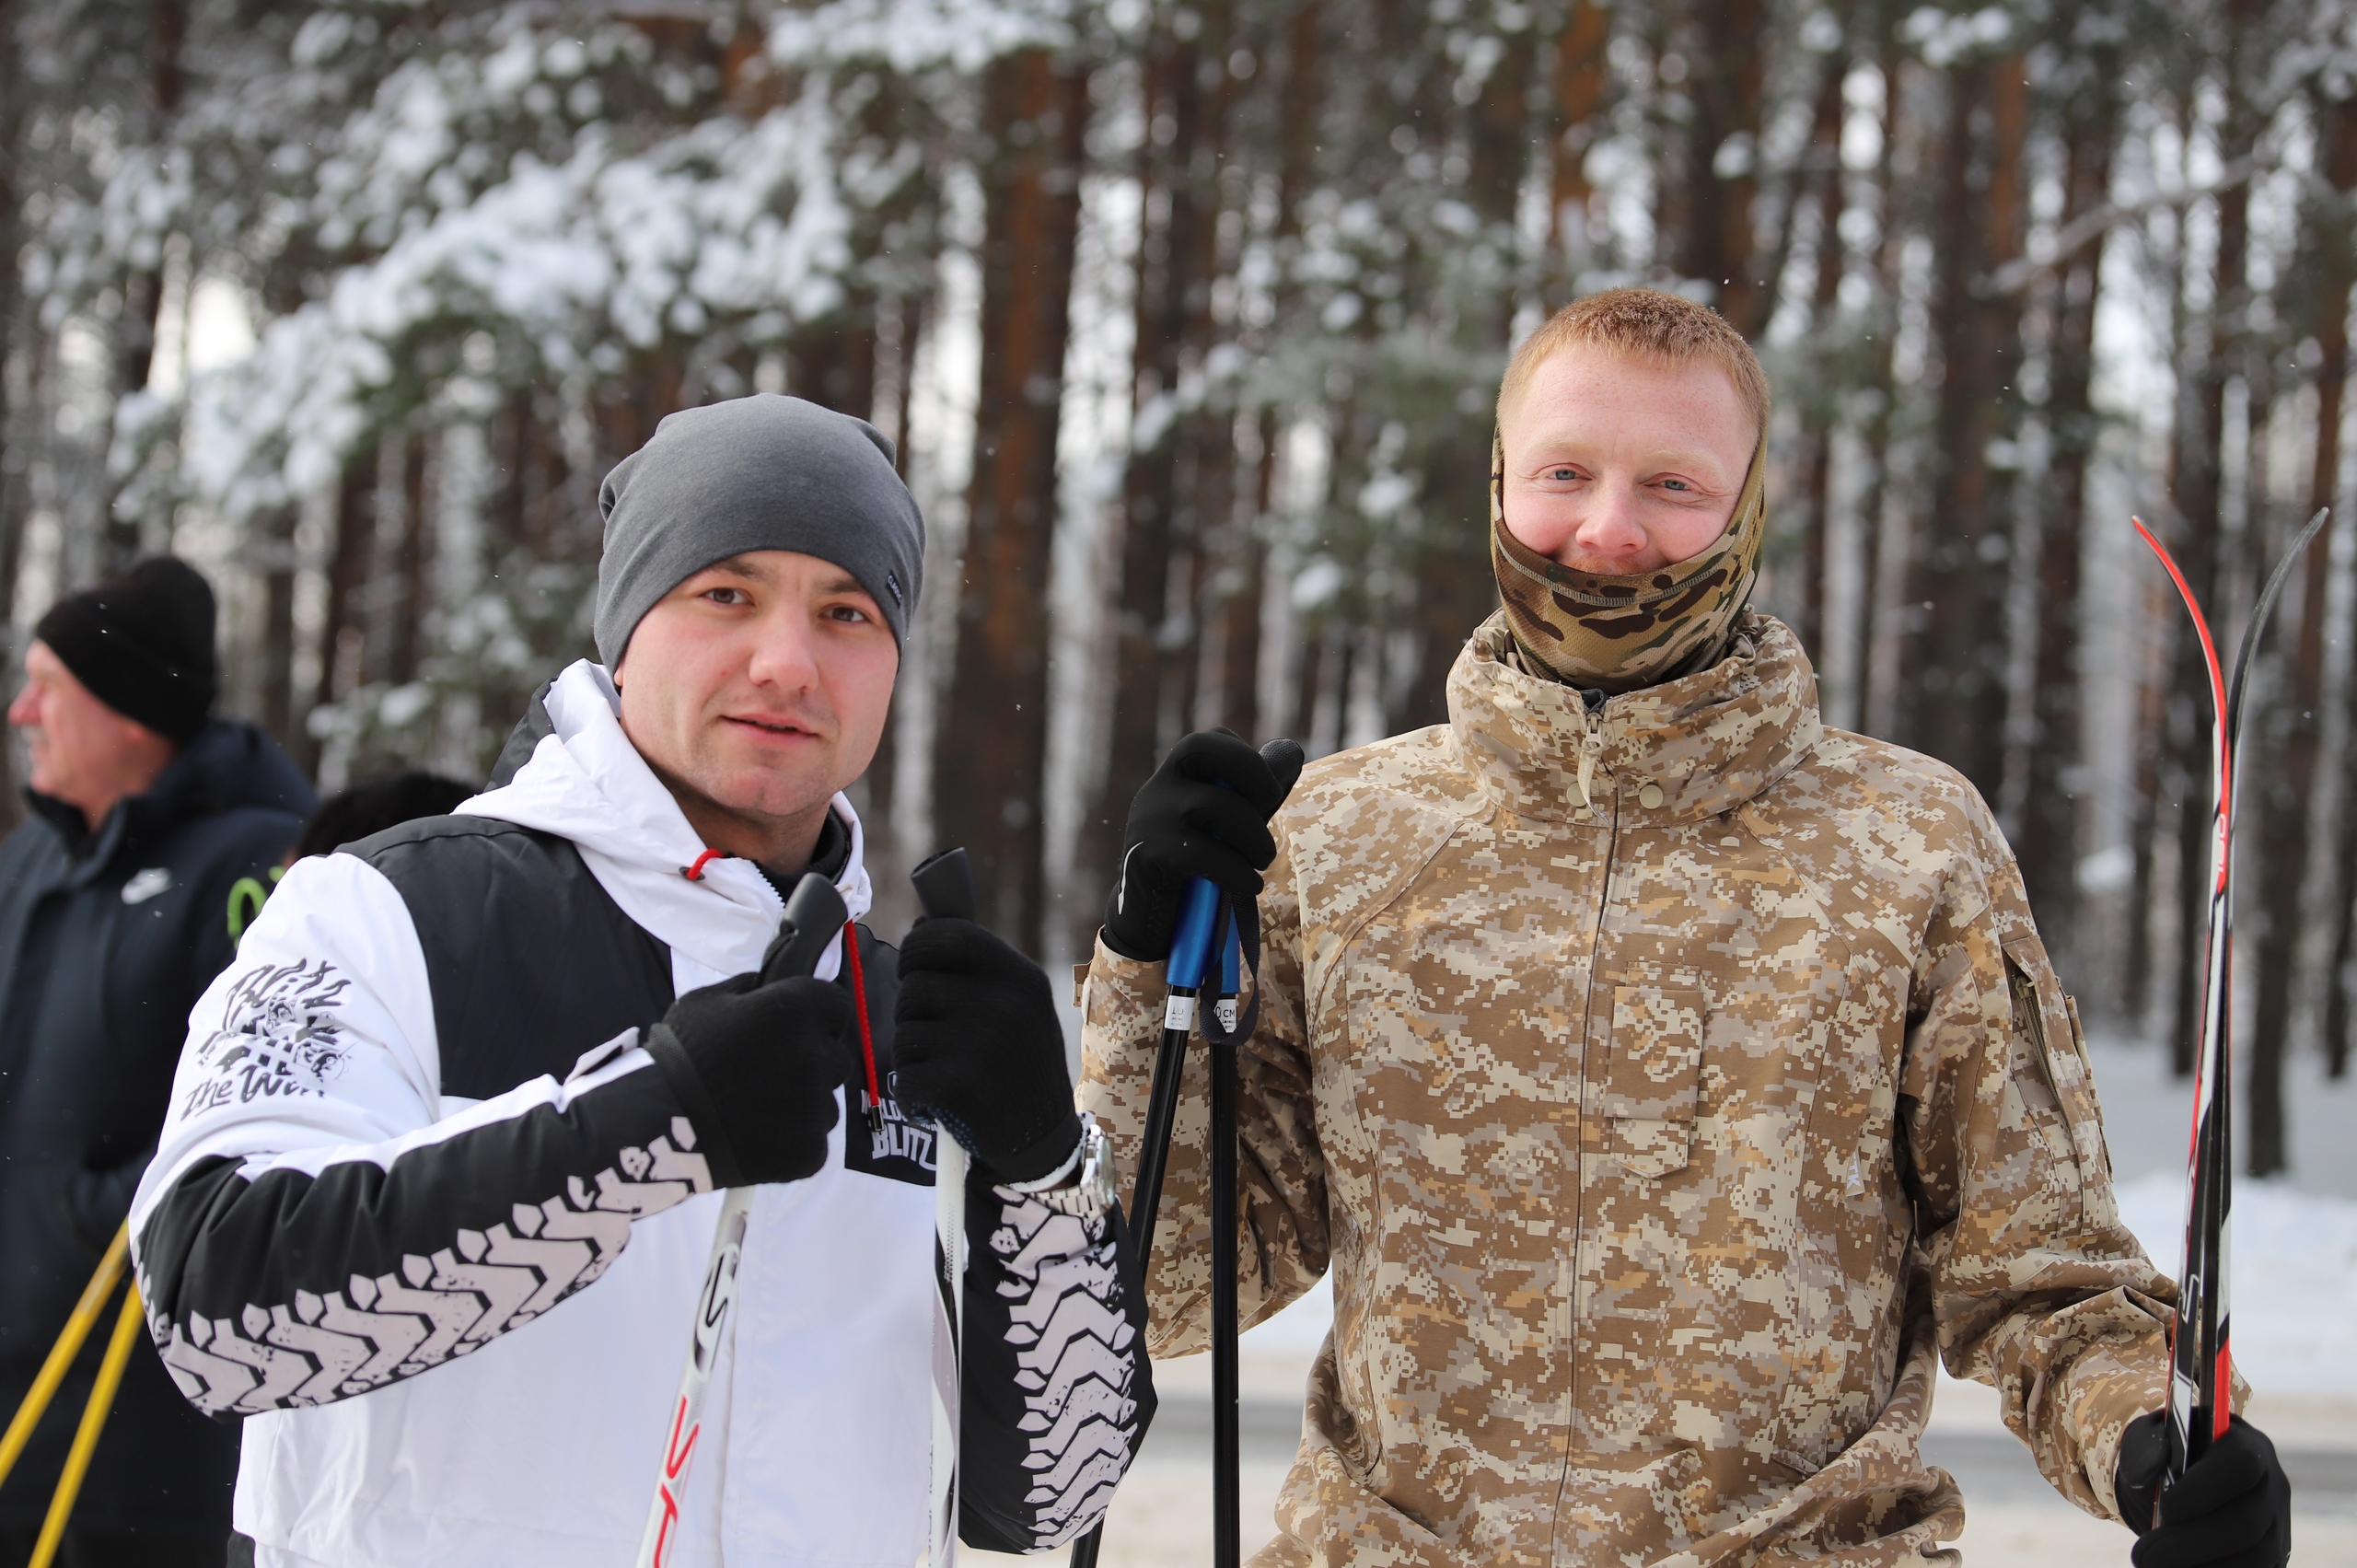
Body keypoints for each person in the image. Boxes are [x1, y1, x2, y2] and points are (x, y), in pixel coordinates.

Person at [1079, 289, 2292, 1567]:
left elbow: (2040, 1278)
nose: (1610, 530)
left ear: (1749, 505)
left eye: (1673, 482)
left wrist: (2159, 1443)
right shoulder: (1333, 834)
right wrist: (1143, 954)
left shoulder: (1907, 843)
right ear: (1497, 479)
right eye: (1566, 472)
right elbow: (1159, 1282)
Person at [129, 396, 1153, 1567]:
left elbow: (1051, 1501)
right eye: (727, 592)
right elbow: (220, 1319)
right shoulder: (382, 913)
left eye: (847, 611)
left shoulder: (898, 1011)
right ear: (627, 627)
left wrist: (1043, 1174)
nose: (787, 660)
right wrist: (650, 1130)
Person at [0, 557, 313, 1565]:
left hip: (145, 1435)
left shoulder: (259, 866)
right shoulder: (36, 857)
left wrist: (89, 1216)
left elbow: (278, 1112)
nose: (21, 710)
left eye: (48, 684)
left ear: (129, 711)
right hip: (16, 1410)